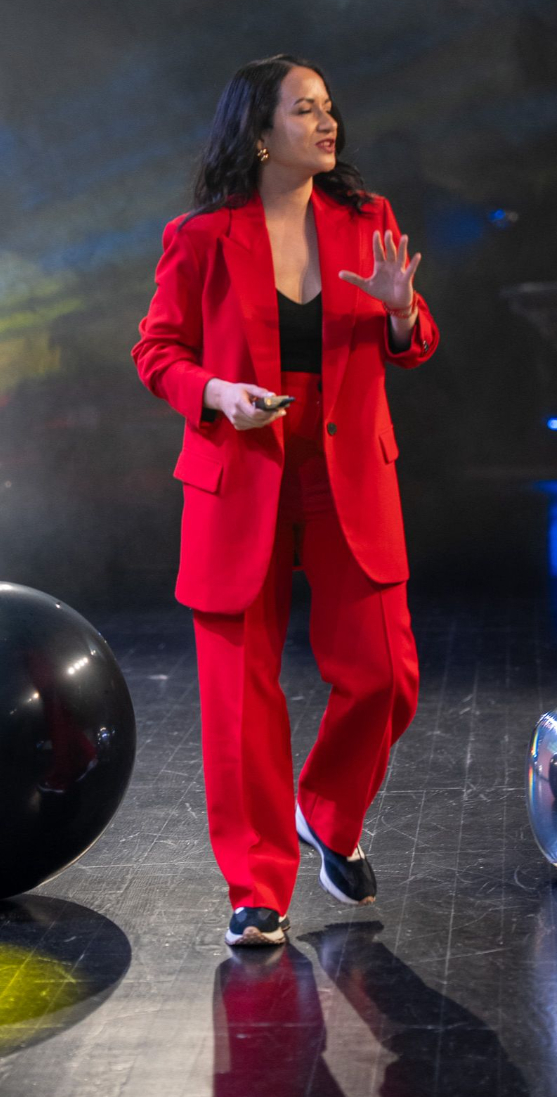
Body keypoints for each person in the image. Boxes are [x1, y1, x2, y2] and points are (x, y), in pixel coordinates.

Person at [132, 53, 439, 947]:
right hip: (240, 471)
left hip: (345, 471)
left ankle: (327, 815)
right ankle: (255, 890)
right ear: (259, 131)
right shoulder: (200, 236)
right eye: (305, 109)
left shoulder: (367, 219)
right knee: (238, 699)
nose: (327, 122)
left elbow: (414, 340)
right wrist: (215, 393)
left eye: (328, 107)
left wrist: (399, 311)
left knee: (385, 674)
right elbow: (157, 351)